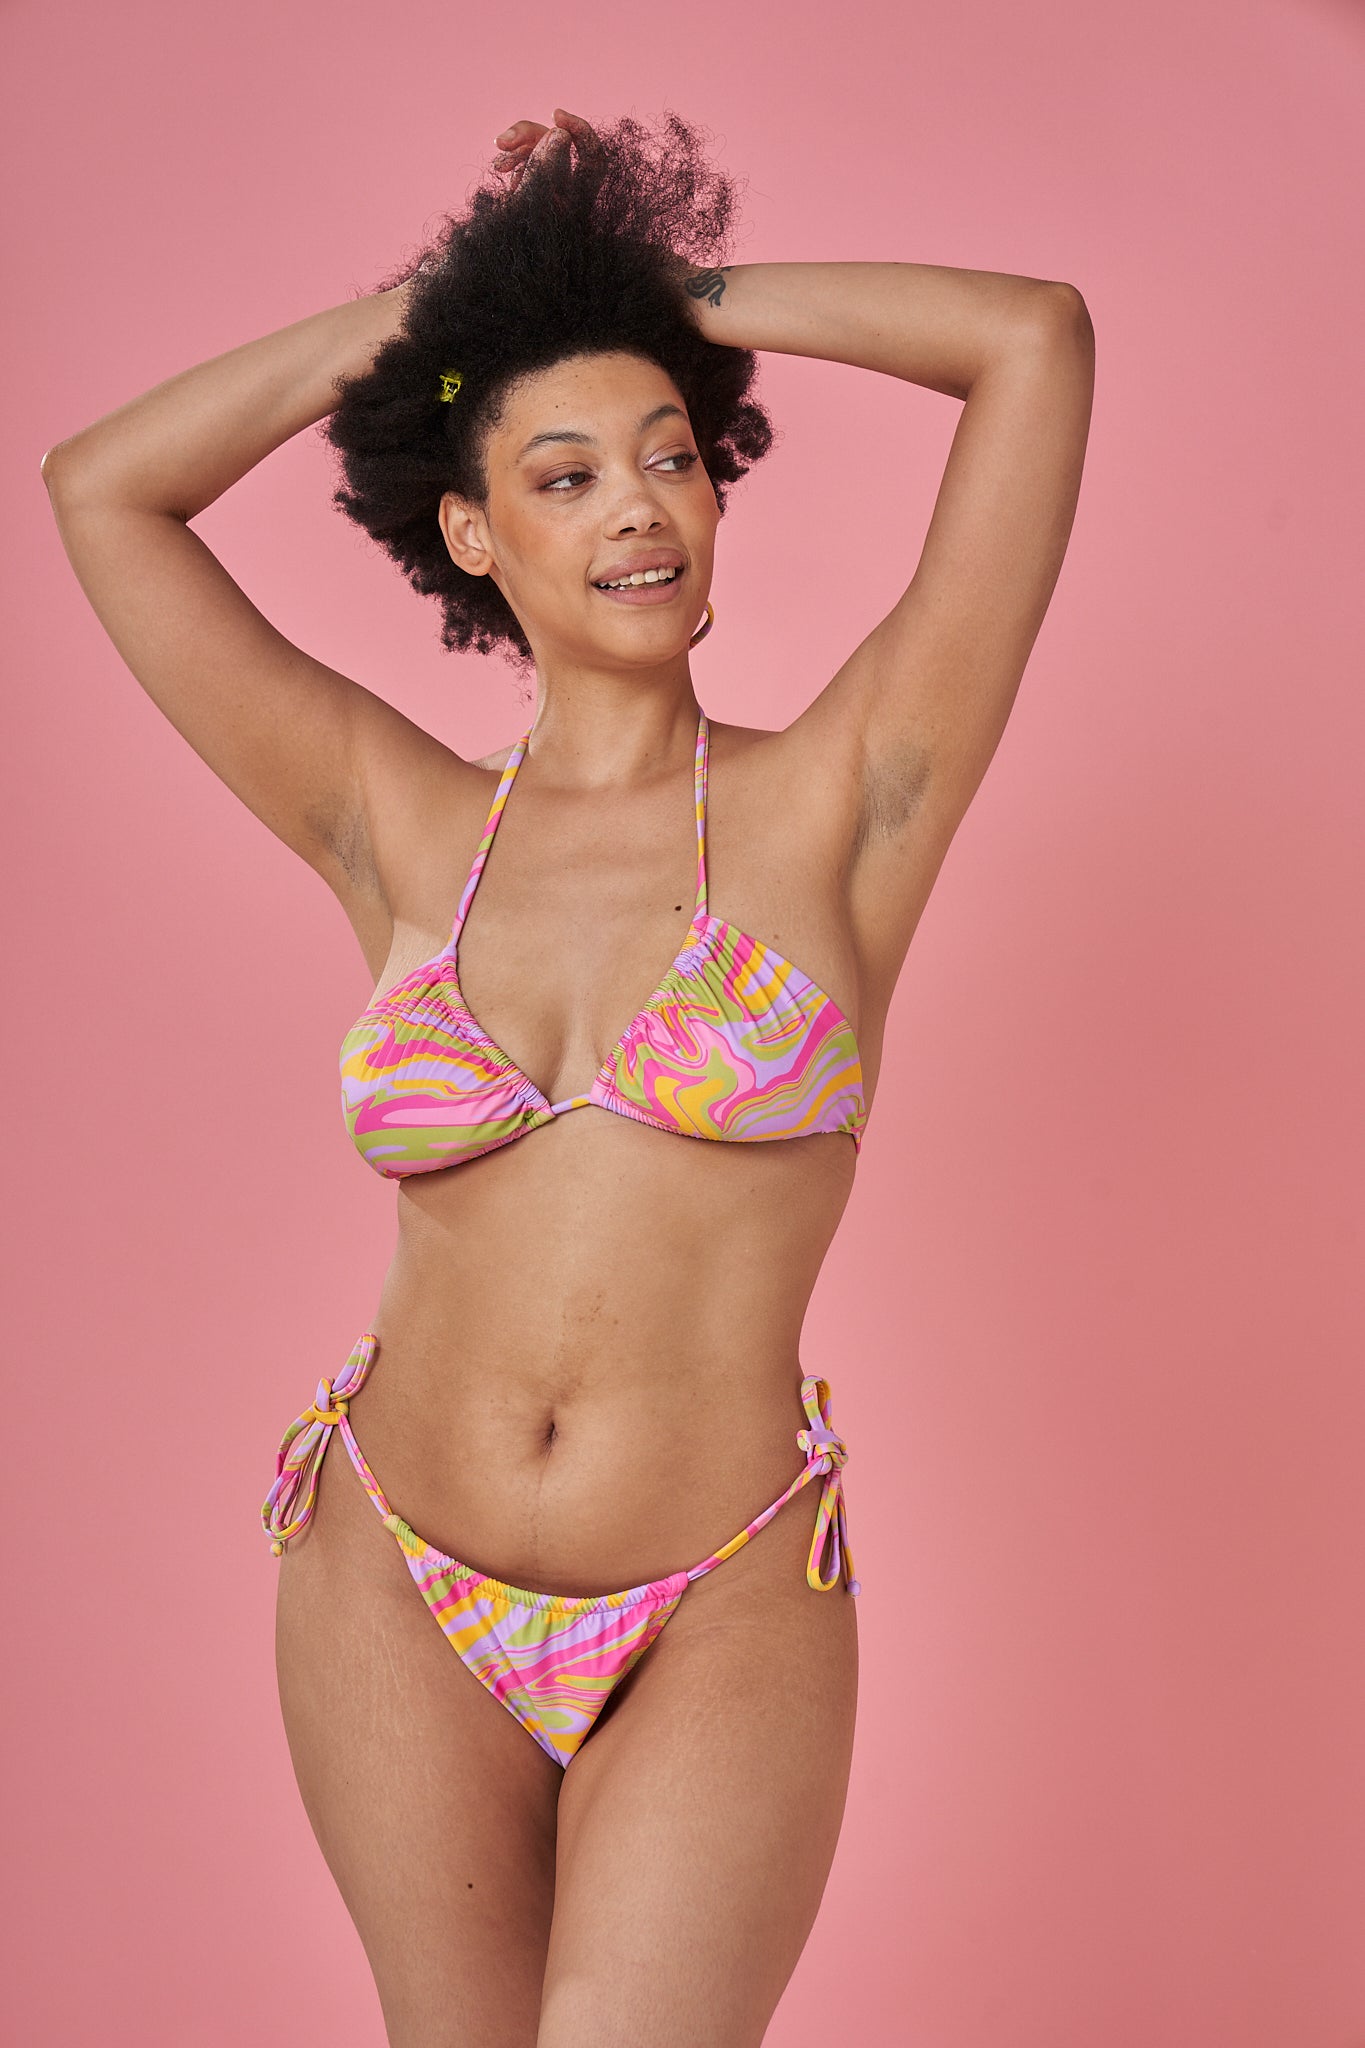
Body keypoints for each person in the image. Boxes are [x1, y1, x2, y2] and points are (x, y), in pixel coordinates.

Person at [41, 105, 1094, 2048]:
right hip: (387, 1558)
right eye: (566, 472)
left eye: (671, 454)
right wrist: (438, 314)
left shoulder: (840, 799)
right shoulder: (394, 819)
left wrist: (647, 291)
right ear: (472, 533)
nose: (637, 508)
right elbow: (101, 489)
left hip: (718, 1585)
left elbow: (1029, 340)